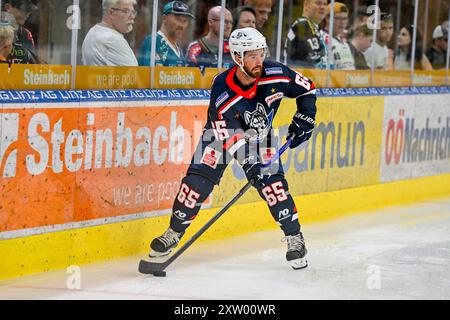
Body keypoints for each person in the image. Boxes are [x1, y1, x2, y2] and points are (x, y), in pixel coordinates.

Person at [148, 28, 317, 270]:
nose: (259, 62)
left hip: (260, 136)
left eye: (261, 55)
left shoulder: (276, 73)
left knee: (274, 188)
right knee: (194, 186)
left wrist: (305, 118)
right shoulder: (222, 88)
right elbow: (228, 135)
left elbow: (308, 88)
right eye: (252, 57)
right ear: (238, 57)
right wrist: (250, 163)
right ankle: (173, 232)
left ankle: (295, 237)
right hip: (220, 136)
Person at [138, 1, 195, 67]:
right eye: (178, 19)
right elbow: (148, 75)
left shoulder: (178, 48)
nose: (181, 25)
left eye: (185, 21)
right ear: (164, 18)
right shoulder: (153, 41)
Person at [82, 0, 138, 66]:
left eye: (133, 12)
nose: (132, 17)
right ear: (111, 13)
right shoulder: (112, 39)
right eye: (126, 11)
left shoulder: (93, 31)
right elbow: (133, 74)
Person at [283, 0, 327, 68]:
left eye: (325, 4)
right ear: (306, 5)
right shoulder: (303, 26)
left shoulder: (310, 26)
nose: (323, 7)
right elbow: (314, 60)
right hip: (303, 74)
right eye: (318, 3)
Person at [322, 2, 355, 70]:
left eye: (345, 19)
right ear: (327, 19)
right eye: (338, 18)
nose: (342, 22)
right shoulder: (321, 39)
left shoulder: (345, 42)